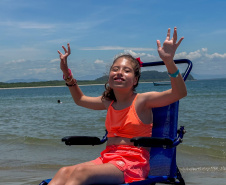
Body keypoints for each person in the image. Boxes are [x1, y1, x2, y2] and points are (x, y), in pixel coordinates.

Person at [49, 27, 186, 185]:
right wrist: (67, 73)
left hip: (133, 163)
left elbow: (179, 93)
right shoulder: (109, 102)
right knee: (64, 172)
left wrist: (169, 61)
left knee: (81, 172)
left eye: (126, 71)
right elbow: (80, 99)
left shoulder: (142, 100)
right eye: (115, 69)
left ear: (135, 80)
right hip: (107, 159)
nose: (119, 72)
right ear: (110, 76)